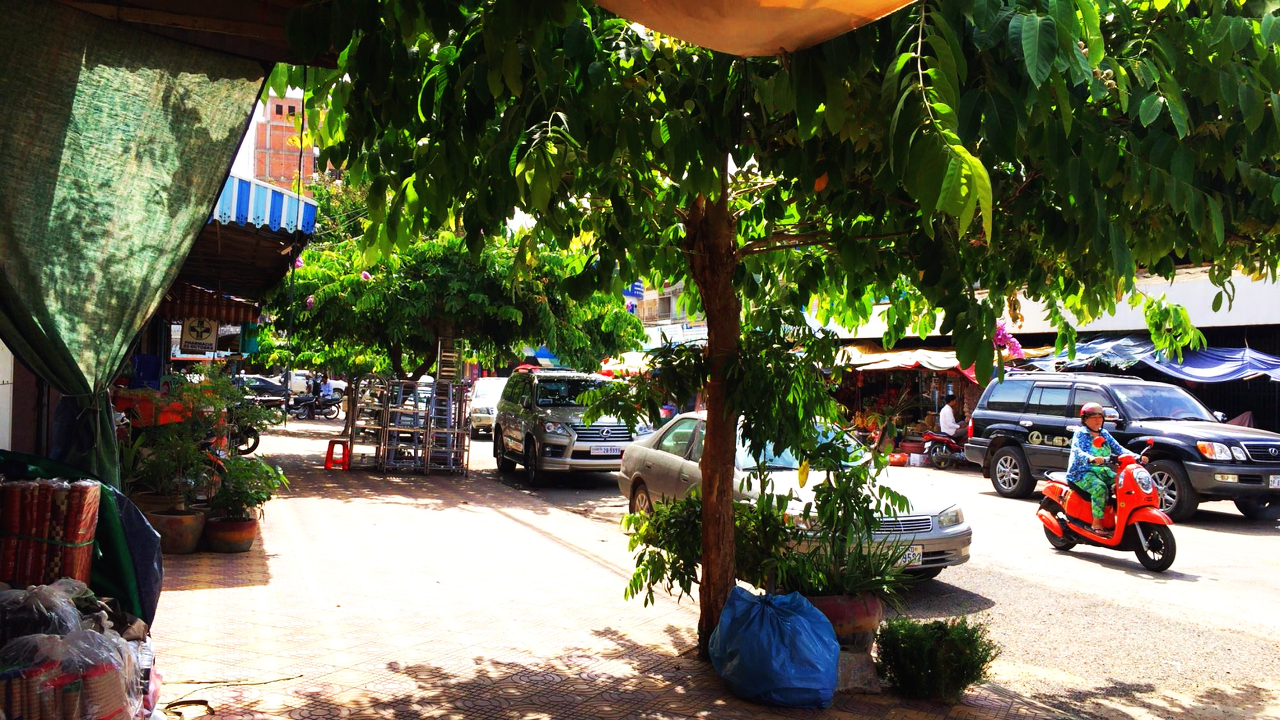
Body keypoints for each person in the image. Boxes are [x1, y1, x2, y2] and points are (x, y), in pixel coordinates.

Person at [1066, 402, 1146, 534]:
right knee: (1100, 488)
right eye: (1093, 417)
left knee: (1126, 483)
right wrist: (1090, 458)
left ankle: (1124, 518)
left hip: (1102, 471)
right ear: (1085, 419)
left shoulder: (1104, 433)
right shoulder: (1080, 433)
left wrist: (1137, 457)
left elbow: (1119, 448)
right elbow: (1077, 451)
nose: (1097, 420)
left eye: (1100, 416)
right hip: (1081, 473)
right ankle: (1096, 523)